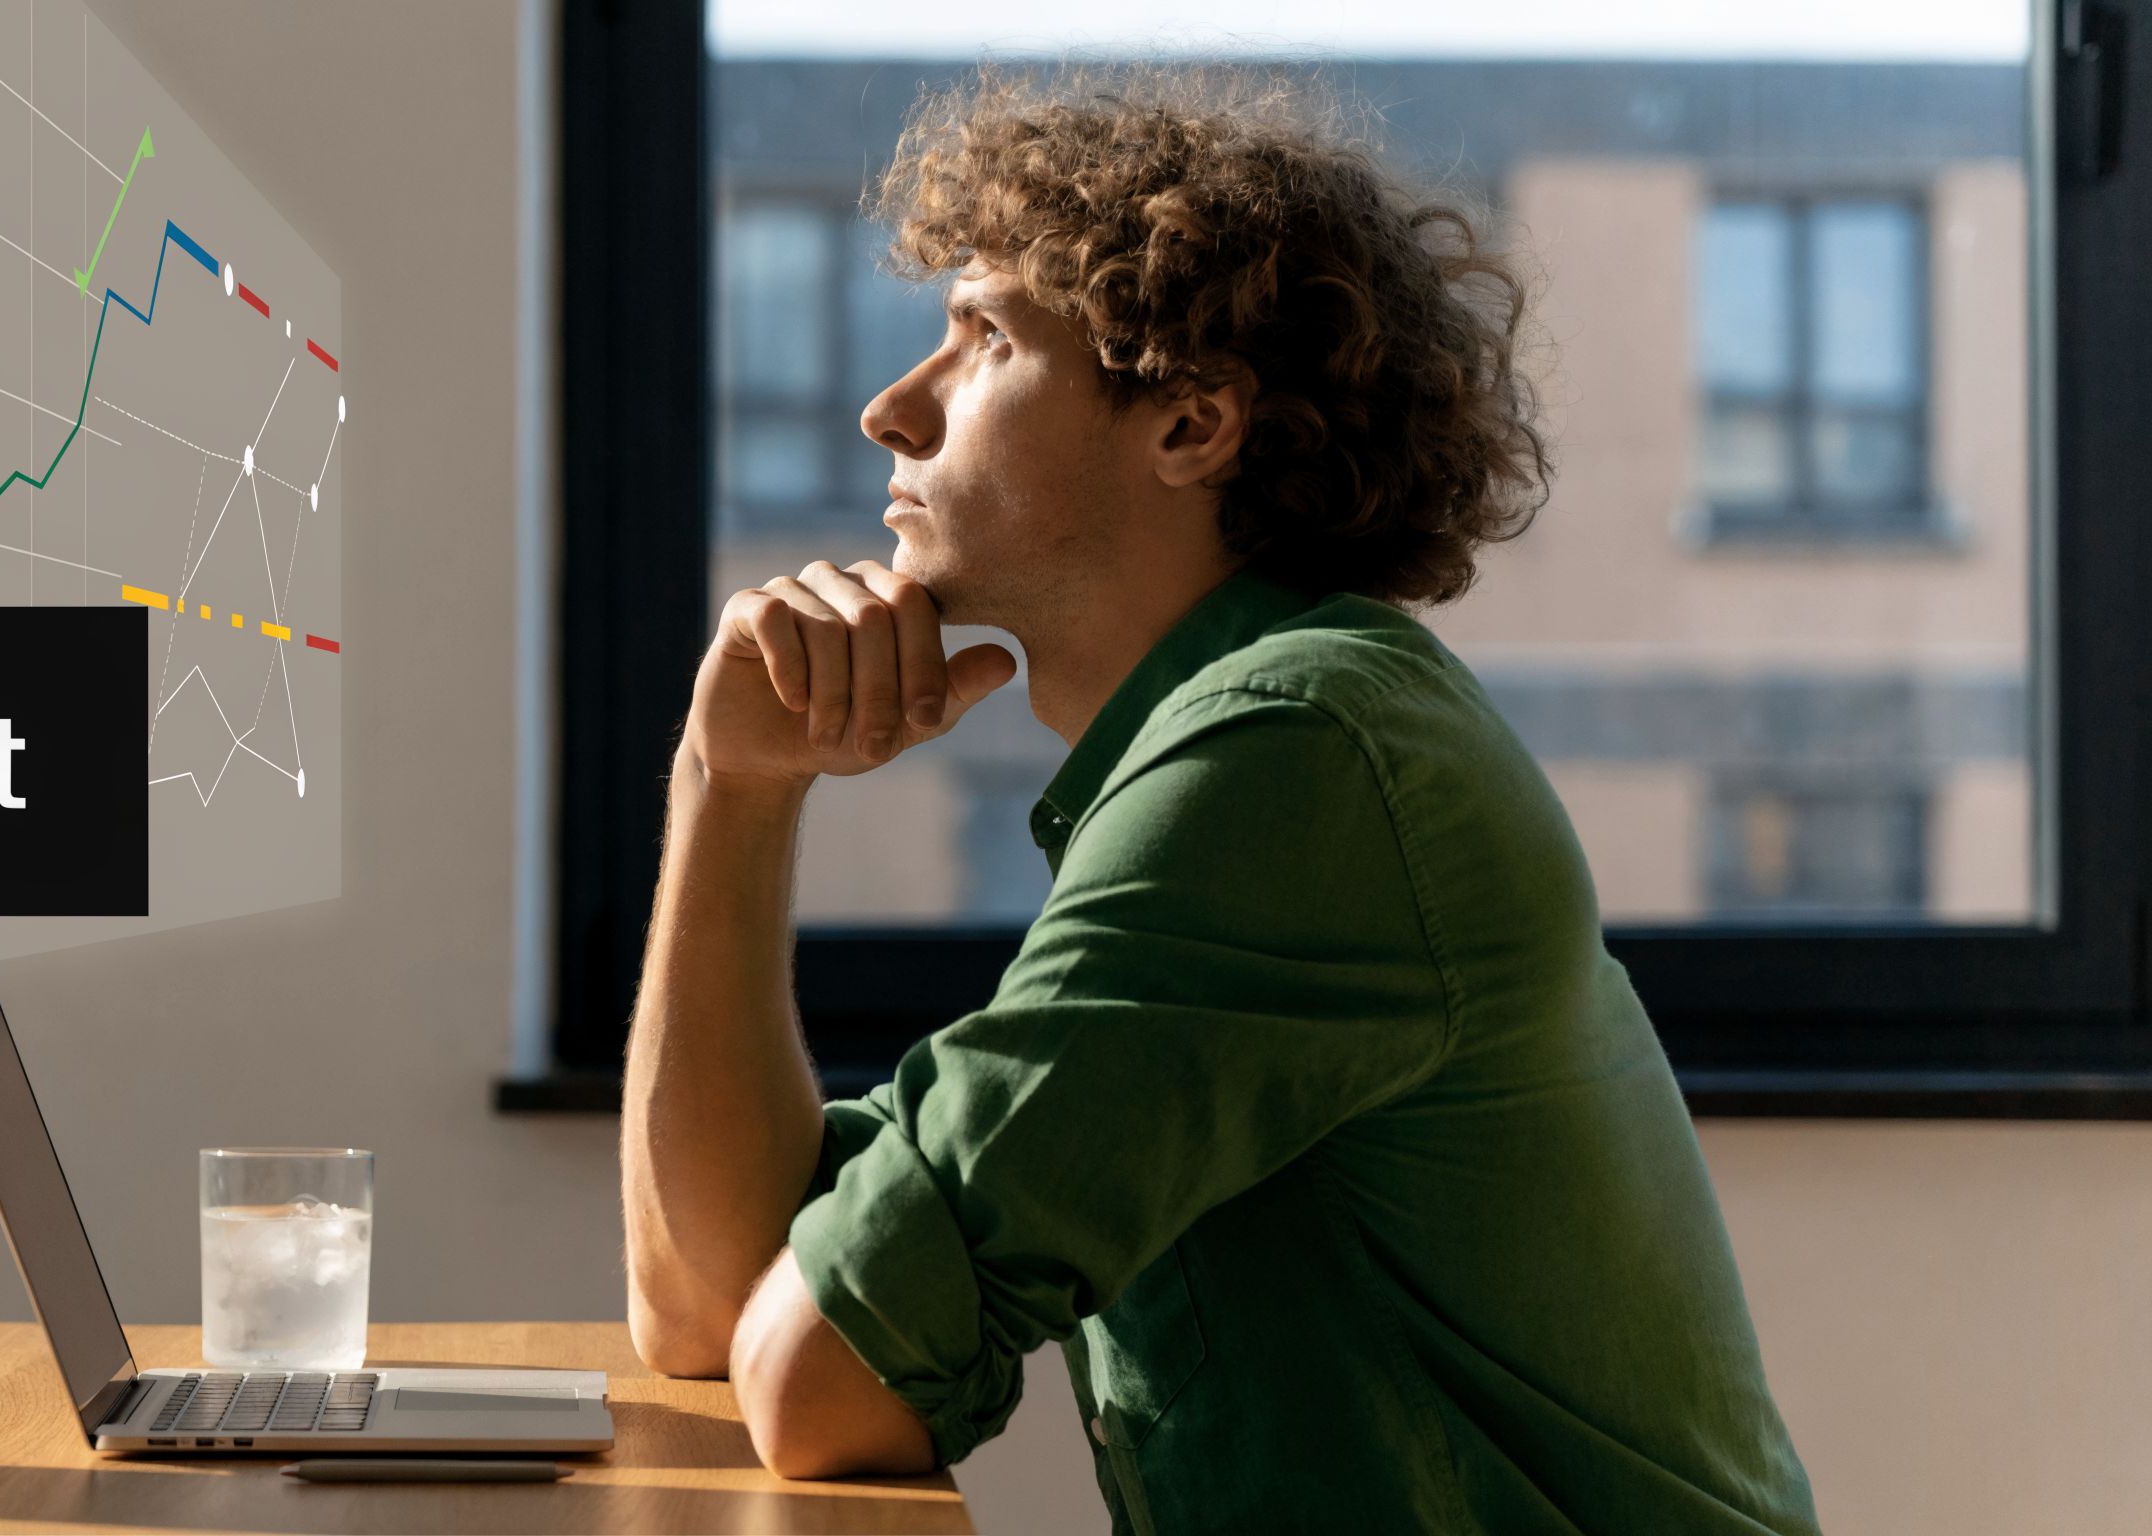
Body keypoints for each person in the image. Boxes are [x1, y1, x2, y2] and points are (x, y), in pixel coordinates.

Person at [617, 61, 1821, 1534]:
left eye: (983, 338)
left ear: (1191, 423)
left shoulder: (1299, 753)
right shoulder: (1254, 739)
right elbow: (703, 1305)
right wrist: (728, 785)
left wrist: (818, 1309)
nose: (890, 409)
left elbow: (818, 1384)